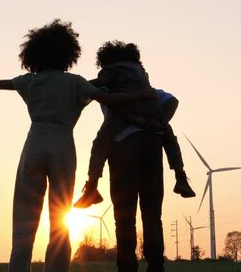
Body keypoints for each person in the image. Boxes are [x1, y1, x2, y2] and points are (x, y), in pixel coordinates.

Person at [0, 20, 154, 272]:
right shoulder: (75, 83)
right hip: (62, 148)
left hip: (34, 144)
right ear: (68, 53)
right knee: (60, 223)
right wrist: (141, 94)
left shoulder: (30, 81)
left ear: (34, 53)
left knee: (23, 225)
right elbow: (108, 98)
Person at [73, 41, 171, 272]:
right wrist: (155, 123)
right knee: (152, 213)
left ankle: (91, 187)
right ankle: (156, 266)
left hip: (122, 145)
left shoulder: (110, 75)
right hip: (151, 144)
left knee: (124, 214)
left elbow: (93, 88)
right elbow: (172, 101)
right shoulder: (147, 82)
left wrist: (77, 85)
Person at [74, 42, 195, 209]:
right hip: (151, 114)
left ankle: (92, 187)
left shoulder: (112, 70)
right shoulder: (140, 72)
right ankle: (180, 177)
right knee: (169, 137)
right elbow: (172, 101)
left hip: (122, 119)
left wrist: (81, 86)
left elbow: (100, 86)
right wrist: (159, 121)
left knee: (100, 143)